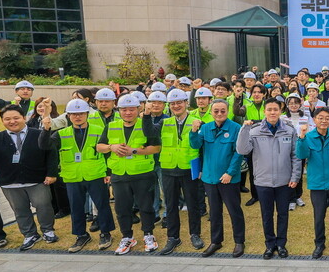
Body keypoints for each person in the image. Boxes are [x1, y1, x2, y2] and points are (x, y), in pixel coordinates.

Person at [0, 105, 59, 251]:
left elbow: (51, 154)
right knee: (20, 210)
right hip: (10, 182)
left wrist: (52, 174)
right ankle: (30, 234)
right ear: (2, 121)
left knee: (43, 205)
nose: (12, 121)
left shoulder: (38, 134)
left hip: (37, 179)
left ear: (24, 118)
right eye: (7, 119)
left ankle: (48, 231)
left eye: (16, 118)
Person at [38, 98, 116, 252]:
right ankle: (81, 235)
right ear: (68, 116)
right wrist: (46, 129)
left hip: (96, 174)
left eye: (81, 113)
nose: (77, 117)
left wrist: (109, 172)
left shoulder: (99, 130)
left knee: (102, 205)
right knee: (76, 207)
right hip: (72, 177)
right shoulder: (62, 133)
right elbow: (44, 146)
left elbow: (108, 152)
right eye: (73, 114)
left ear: (87, 114)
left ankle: (105, 233)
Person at [237, 96, 301, 259]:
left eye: (275, 109)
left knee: (283, 214)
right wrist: (244, 129)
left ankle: (281, 244)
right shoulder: (255, 130)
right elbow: (242, 150)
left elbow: (296, 155)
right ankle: (270, 245)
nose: (272, 112)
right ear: (265, 112)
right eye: (269, 109)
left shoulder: (289, 130)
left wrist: (295, 176)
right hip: (263, 181)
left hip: (284, 181)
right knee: (267, 215)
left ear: (280, 111)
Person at [96, 95, 161, 255]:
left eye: (131, 109)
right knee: (121, 208)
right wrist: (111, 147)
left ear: (138, 109)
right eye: (124, 110)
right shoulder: (111, 126)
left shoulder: (145, 124)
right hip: (119, 174)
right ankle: (127, 237)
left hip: (142, 172)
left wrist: (134, 151)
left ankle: (148, 234)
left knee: (146, 207)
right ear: (118, 110)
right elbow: (99, 147)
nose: (128, 113)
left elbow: (156, 148)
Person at [190, 100, 245, 258]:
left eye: (222, 111)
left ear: (228, 111)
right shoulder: (205, 128)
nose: (219, 114)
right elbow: (195, 145)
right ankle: (216, 241)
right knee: (214, 212)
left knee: (234, 211)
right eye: (216, 111)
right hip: (210, 178)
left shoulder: (236, 128)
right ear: (211, 112)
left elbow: (239, 153)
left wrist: (230, 173)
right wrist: (193, 131)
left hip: (229, 178)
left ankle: (239, 241)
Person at [152, 89, 203, 255]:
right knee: (171, 205)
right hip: (168, 169)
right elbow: (149, 133)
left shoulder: (197, 122)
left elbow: (201, 147)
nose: (176, 106)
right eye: (173, 104)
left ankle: (195, 234)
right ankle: (173, 237)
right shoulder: (164, 123)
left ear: (186, 103)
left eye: (179, 102)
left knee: (193, 204)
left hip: (189, 168)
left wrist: (201, 169)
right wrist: (146, 115)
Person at [295, 106, 329, 259]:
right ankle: (319, 244)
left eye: (327, 118)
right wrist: (301, 137)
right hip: (317, 184)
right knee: (319, 216)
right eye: (320, 118)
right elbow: (301, 155)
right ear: (314, 120)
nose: (324, 121)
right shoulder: (308, 137)